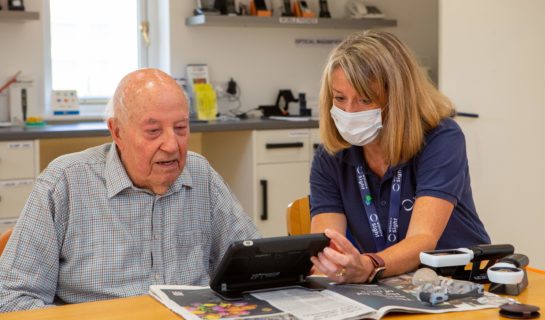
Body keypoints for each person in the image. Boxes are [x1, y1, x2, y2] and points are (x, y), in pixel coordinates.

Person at [0, 69, 259, 312]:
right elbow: (11, 297)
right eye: (153, 131)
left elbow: (255, 264)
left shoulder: (201, 175)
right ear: (117, 132)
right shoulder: (65, 182)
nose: (171, 145)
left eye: (180, 128)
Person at [309, 31, 490, 284]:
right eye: (340, 98)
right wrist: (335, 264)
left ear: (397, 100)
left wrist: (368, 265)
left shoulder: (441, 138)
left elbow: (423, 240)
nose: (349, 111)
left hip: (459, 279)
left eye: (365, 99)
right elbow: (326, 246)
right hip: (385, 283)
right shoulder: (331, 156)